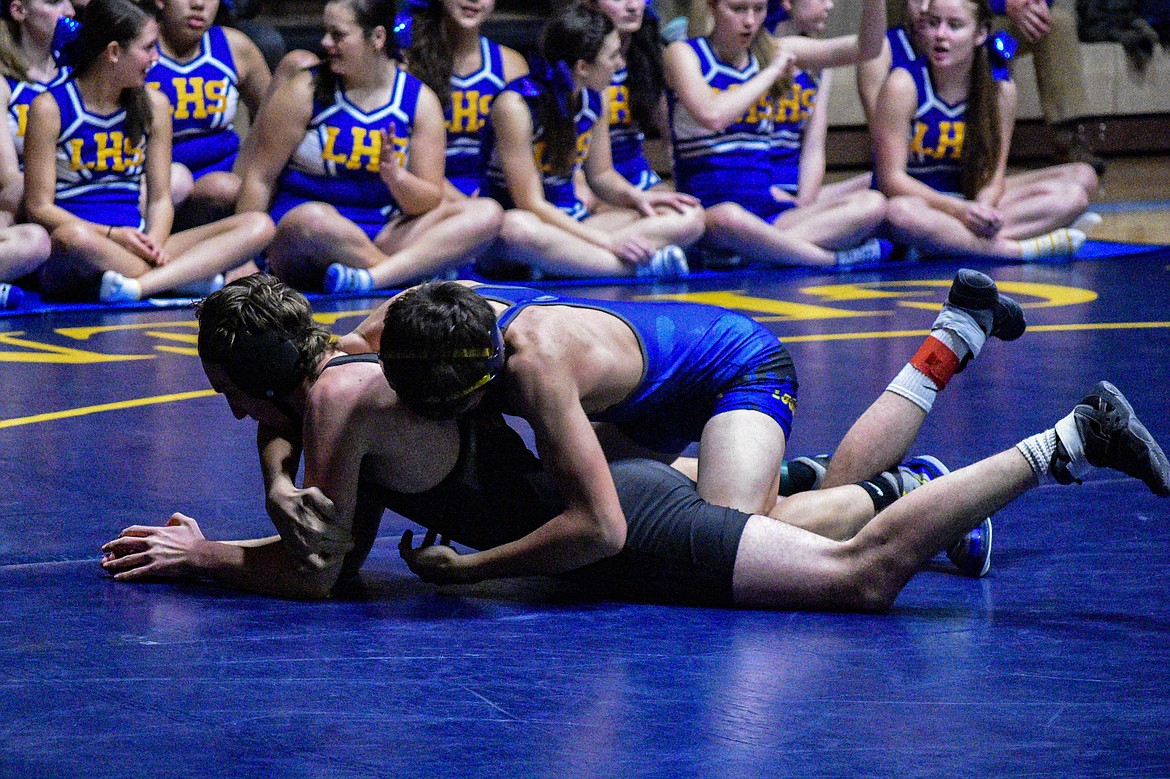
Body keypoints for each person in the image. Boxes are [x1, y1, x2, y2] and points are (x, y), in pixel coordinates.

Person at [99, 274, 1170, 608]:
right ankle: (934, 402)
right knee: (800, 515)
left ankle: (1069, 436)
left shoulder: (527, 371)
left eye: (236, 398)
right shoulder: (372, 354)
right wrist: (280, 473)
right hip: (628, 462)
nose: (241, 420)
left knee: (856, 574)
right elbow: (305, 446)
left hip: (711, 388)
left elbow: (598, 526)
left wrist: (469, 570)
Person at [234, 0, 503, 293]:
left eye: (338, 35)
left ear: (376, 37)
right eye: (326, 33)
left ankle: (372, 278)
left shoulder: (419, 100)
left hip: (383, 230)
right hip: (306, 237)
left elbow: (427, 199)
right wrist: (241, 258)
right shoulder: (304, 90)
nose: (325, 43)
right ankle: (406, 280)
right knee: (313, 219)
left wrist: (396, 178)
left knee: (487, 212)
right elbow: (260, 177)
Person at [23, 0, 274, 302]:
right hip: (83, 245)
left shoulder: (154, 105)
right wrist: (113, 235)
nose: (155, 58)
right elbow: (39, 208)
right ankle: (180, 279)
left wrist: (153, 243)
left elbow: (160, 198)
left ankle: (140, 286)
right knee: (71, 238)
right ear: (114, 52)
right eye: (147, 48)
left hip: (138, 240)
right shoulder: (50, 107)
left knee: (258, 225)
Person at [478, 2, 704, 280]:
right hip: (524, 227)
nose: (620, 64)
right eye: (612, 57)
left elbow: (602, 175)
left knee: (687, 216)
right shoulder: (516, 106)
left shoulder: (594, 97)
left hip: (572, 221)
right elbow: (531, 203)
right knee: (516, 228)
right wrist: (606, 241)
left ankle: (565, 264)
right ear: (583, 67)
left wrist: (639, 198)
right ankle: (636, 267)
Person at [663, 0, 890, 268]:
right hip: (709, 212)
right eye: (738, 9)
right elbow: (713, 115)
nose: (749, 20)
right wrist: (771, 72)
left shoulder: (771, 50)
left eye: (758, 9)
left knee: (872, 203)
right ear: (712, 7)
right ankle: (830, 260)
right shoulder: (683, 53)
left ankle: (748, 253)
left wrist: (874, 5)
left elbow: (865, 49)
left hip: (765, 211)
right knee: (731, 218)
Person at [869, 0, 1096, 261]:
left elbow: (993, 176)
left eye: (954, 26)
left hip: (966, 197)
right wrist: (960, 211)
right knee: (899, 213)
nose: (941, 35)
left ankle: (941, 242)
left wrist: (981, 210)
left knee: (1079, 186)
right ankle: (1015, 250)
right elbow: (890, 180)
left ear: (980, 34)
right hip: (920, 202)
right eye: (933, 24)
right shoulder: (902, 84)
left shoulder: (1001, 91)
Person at [148, 0, 271, 220]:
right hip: (152, 178)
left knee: (223, 188)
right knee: (177, 182)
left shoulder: (235, 46)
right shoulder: (138, 47)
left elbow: (275, 120)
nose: (198, 4)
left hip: (224, 175)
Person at [1, 0, 69, 304]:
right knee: (34, 242)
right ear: (19, 11)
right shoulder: (3, 81)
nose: (69, 10)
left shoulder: (76, 73)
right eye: (54, 2)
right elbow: (8, 181)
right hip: (17, 205)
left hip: (56, 201)